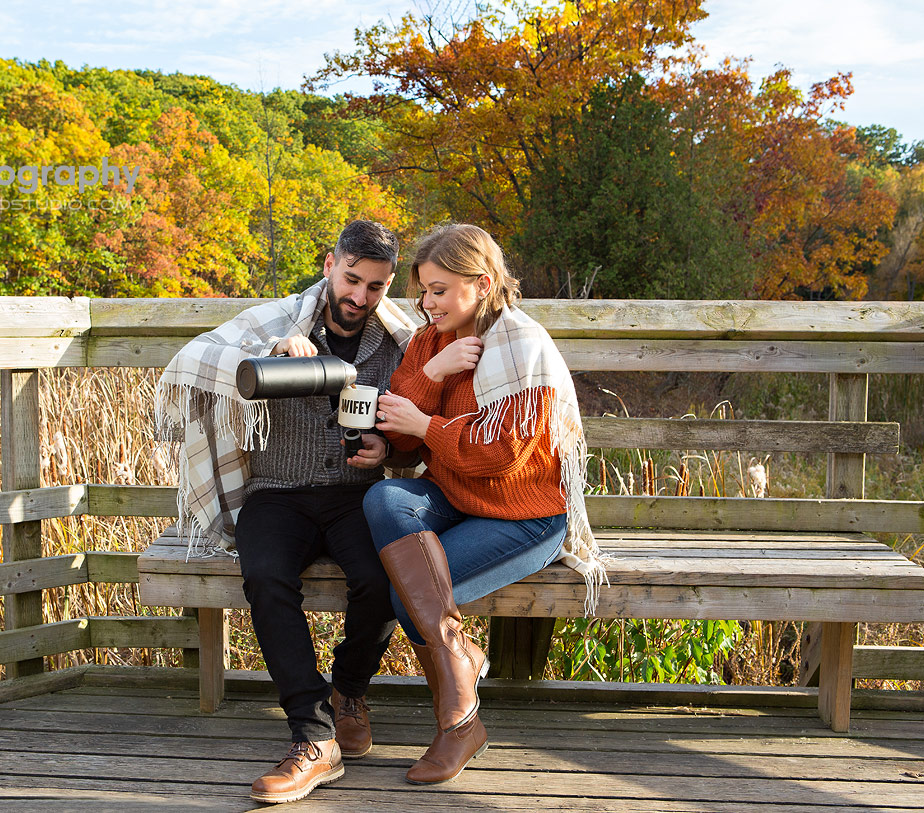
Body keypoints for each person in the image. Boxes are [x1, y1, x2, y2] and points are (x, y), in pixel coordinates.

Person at [154, 220, 416, 805]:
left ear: (389, 284)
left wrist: (389, 450)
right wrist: (270, 350)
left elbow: (424, 415)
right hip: (278, 492)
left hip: (360, 494)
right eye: (351, 280)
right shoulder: (278, 322)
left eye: (374, 287)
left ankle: (349, 691)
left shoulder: (403, 338)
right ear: (330, 265)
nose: (359, 297)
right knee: (267, 576)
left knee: (381, 577)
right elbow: (197, 358)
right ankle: (314, 734)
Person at [363, 223, 607, 785]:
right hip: (453, 495)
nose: (427, 303)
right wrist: (431, 374)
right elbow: (399, 442)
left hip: (525, 516)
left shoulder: (522, 346)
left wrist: (426, 423)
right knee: (386, 496)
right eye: (422, 290)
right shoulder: (430, 341)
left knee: (410, 599)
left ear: (483, 282)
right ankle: (462, 673)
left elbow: (504, 457)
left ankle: (458, 724)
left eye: (440, 290)